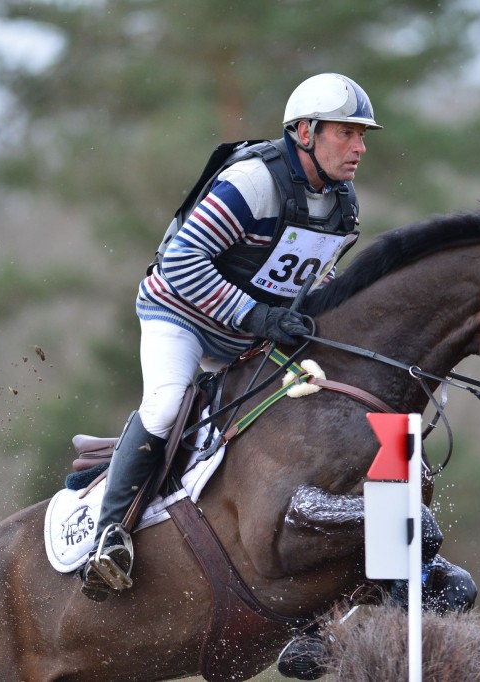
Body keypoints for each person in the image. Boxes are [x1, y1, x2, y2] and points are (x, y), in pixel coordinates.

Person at [80, 73, 382, 600]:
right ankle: (110, 536)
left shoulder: (344, 205)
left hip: (245, 333)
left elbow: (316, 277)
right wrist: (258, 316)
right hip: (182, 314)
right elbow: (180, 263)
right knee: (168, 405)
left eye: (362, 136)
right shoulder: (252, 183)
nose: (359, 147)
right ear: (305, 132)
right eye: (346, 133)